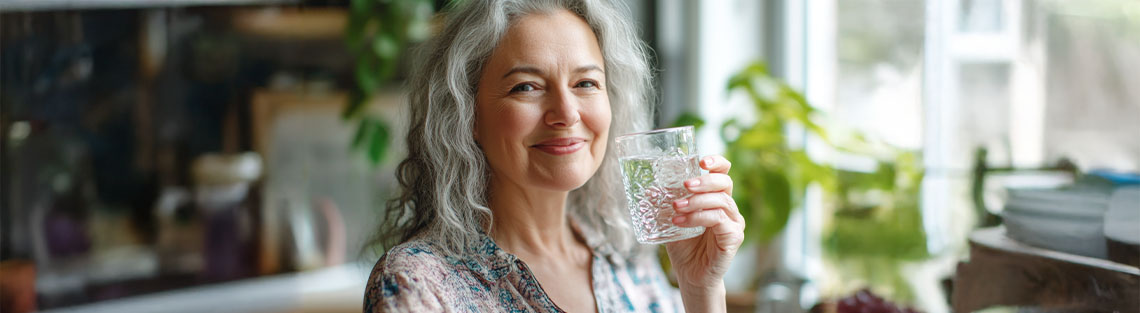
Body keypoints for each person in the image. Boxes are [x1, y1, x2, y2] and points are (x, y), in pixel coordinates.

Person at [364, 0, 746, 312]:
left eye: (585, 83)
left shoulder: (627, 261)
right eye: (526, 87)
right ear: (467, 114)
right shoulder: (416, 284)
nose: (566, 113)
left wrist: (701, 290)